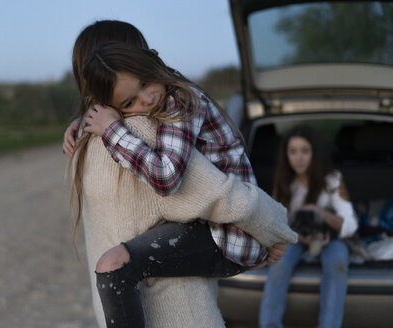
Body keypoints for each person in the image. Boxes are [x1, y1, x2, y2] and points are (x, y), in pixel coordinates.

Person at [72, 41, 297, 328]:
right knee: (112, 265)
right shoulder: (157, 101)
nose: (147, 99)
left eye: (145, 82)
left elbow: (166, 177)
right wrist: (83, 122)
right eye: (129, 103)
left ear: (154, 63)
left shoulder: (181, 101)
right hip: (212, 230)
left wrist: (111, 130)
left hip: (228, 236)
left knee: (115, 265)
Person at [259, 124, 358, 328]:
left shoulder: (332, 180)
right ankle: (269, 323)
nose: (299, 158)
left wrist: (319, 213)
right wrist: (301, 236)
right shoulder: (284, 180)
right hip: (295, 237)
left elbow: (350, 224)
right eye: (292, 152)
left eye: (305, 151)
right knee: (281, 261)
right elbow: (277, 222)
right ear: (286, 155)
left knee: (338, 261)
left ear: (314, 153)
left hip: (332, 239)